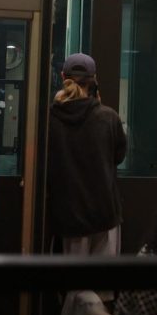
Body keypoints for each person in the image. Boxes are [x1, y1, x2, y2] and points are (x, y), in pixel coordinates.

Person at [47, 53, 126, 259]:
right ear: (94, 80)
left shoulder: (50, 118)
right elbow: (118, 157)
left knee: (74, 285)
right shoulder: (108, 117)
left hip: (68, 215)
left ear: (62, 76)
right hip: (105, 214)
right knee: (103, 284)